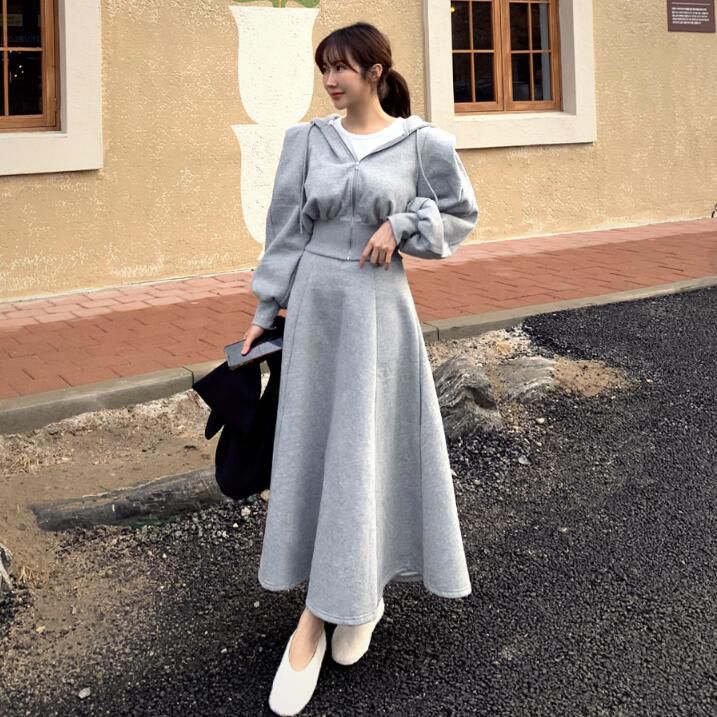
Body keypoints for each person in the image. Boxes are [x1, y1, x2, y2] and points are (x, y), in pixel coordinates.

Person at [239, 21, 479, 716]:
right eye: (324, 69)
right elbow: (285, 229)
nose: (330, 81)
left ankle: (335, 609)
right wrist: (265, 308)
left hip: (378, 311)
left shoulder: (422, 143)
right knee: (321, 452)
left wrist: (400, 226)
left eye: (341, 67)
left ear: (375, 71)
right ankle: (336, 603)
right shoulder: (306, 141)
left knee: (363, 453)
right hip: (316, 307)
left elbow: (459, 214)